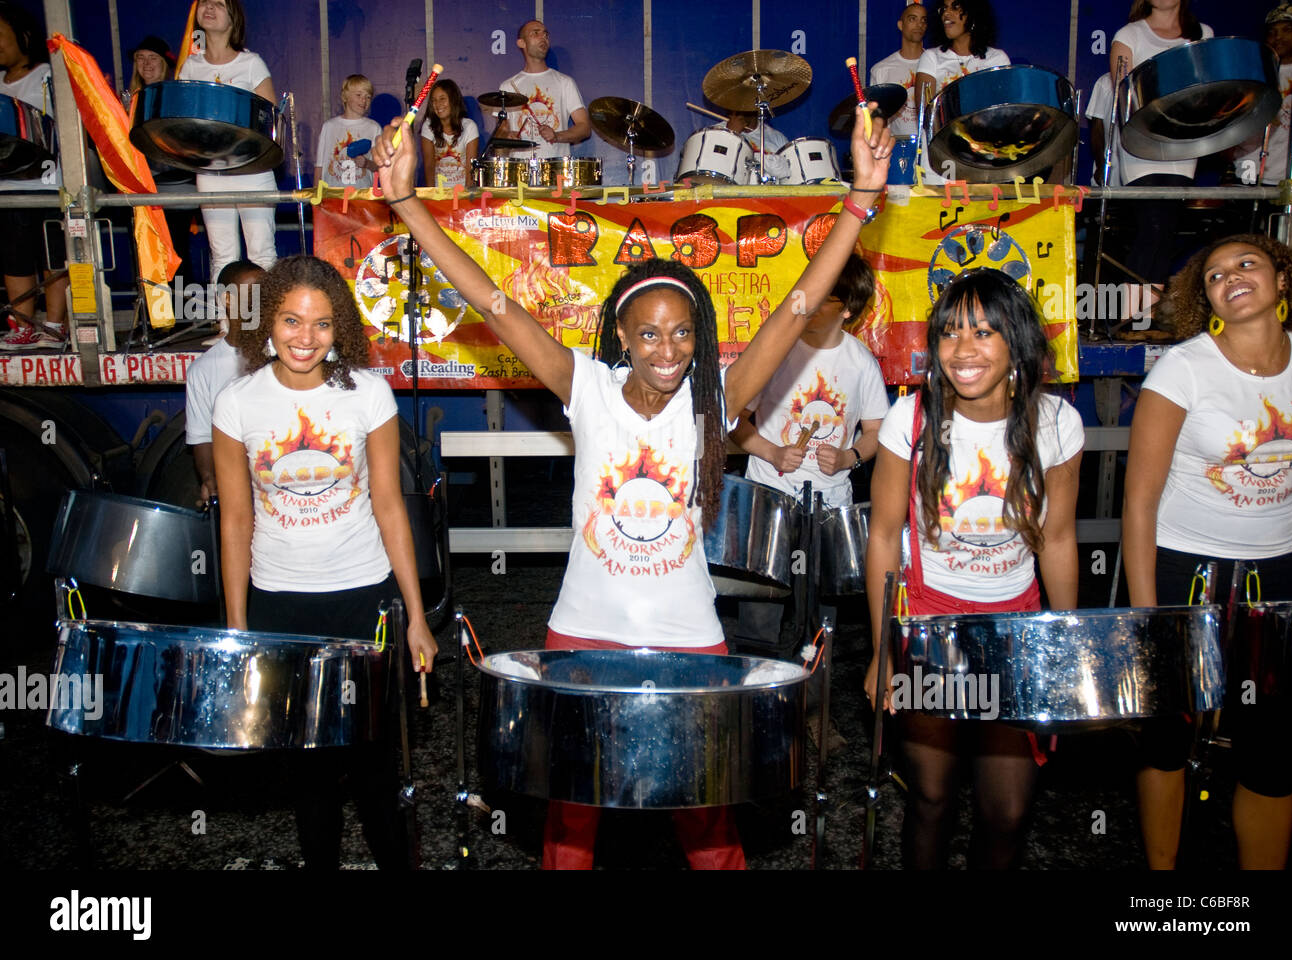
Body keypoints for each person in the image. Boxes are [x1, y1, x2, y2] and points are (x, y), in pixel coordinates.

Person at [374, 93, 894, 869]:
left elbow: (795, 307)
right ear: (620, 332)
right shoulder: (585, 387)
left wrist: (859, 202)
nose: (667, 348)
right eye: (648, 332)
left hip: (690, 638)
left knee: (712, 830)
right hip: (582, 634)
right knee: (568, 831)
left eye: (682, 333)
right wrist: (409, 204)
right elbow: (494, 300)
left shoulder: (713, 399)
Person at [212, 255, 436, 870]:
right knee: (308, 778)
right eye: (290, 320)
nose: (304, 338)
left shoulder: (369, 393)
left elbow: (391, 505)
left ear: (341, 328)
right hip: (280, 603)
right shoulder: (237, 403)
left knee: (375, 770)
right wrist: (237, 629)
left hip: (364, 598)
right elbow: (235, 521)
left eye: (321, 324)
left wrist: (416, 616)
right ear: (268, 323)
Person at [865, 268, 1083, 869]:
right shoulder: (909, 420)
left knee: (1007, 812)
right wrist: (886, 649)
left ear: (1017, 343)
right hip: (930, 631)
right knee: (931, 798)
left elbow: (1059, 540)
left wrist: (1066, 645)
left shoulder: (1056, 423)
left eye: (985, 333)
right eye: (951, 332)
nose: (964, 349)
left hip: (1016, 632)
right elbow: (883, 536)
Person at [1123, 233, 1292, 870]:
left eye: (1246, 264)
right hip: (1186, 570)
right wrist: (1150, 619)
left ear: (1282, 277)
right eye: (1215, 276)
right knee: (1169, 739)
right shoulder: (1184, 369)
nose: (1230, 277)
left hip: (1282, 574)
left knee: (1273, 750)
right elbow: (1138, 503)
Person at [730, 252, 888, 658]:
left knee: (821, 620)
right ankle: (757, 693)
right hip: (770, 499)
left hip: (829, 507)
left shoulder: (860, 363)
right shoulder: (777, 351)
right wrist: (772, 451)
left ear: (848, 309)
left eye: (822, 300)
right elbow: (733, 420)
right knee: (760, 614)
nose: (807, 304)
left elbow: (876, 432)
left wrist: (850, 456)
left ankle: (813, 701)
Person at [1109, 1, 1213, 289]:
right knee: (1151, 228)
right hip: (1142, 145)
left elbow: (1209, 89)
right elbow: (1123, 94)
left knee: (1166, 232)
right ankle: (1132, 319)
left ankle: (1148, 318)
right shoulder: (1129, 34)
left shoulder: (1202, 33)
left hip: (1183, 145)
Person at [179, 0, 277, 278]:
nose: (209, 7)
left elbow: (269, 120)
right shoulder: (191, 67)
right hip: (211, 172)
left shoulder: (250, 63)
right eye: (205, 2)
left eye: (219, 4)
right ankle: (226, 322)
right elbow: (185, 124)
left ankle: (265, 321)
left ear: (233, 17)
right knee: (222, 254)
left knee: (262, 253)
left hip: (253, 170)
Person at [0, 1, 68, 350]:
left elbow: (60, 130)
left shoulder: (46, 75)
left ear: (23, 36)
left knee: (51, 257)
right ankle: (23, 324)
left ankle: (54, 325)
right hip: (8, 187)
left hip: (44, 183)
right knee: (15, 259)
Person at [185, 260, 266, 503]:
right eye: (252, 291)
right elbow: (201, 437)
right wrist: (210, 480)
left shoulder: (285, 353)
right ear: (227, 298)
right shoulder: (203, 369)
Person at [126, 35, 199, 290]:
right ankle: (156, 317)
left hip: (176, 190)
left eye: (152, 58)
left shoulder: (177, 98)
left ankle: (182, 318)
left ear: (165, 64)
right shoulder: (129, 101)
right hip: (141, 192)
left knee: (174, 253)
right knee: (144, 256)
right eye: (140, 58)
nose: (146, 64)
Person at [914, 0, 1009, 184]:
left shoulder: (996, 59)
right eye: (944, 8)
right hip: (939, 162)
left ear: (974, 14)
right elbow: (925, 111)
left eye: (955, 7)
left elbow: (1001, 114)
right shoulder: (932, 57)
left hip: (983, 162)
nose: (946, 14)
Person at [498, 19, 590, 161]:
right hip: (520, 171)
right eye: (536, 33)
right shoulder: (508, 86)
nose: (543, 38)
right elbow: (501, 131)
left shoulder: (564, 82)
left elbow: (584, 128)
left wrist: (557, 136)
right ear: (521, 43)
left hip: (556, 169)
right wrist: (507, 136)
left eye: (546, 35)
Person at [1230, 4, 1292, 188]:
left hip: (1290, 173)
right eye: (1272, 31)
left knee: (1282, 216)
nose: (1278, 37)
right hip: (1249, 163)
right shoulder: (1253, 74)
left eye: (1287, 30)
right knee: (1247, 213)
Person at [870, 0, 929, 138]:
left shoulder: (936, 65)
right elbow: (877, 119)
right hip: (895, 149)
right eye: (912, 19)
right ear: (900, 25)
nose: (919, 25)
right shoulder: (881, 70)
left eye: (923, 20)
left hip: (929, 149)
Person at [315, 74, 381, 189]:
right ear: (345, 97)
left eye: (368, 97)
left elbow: (379, 166)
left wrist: (366, 163)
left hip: (361, 196)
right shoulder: (329, 127)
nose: (364, 100)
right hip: (332, 196)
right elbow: (320, 166)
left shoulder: (374, 128)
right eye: (358, 95)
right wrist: (316, 196)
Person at [420, 78, 478, 188]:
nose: (438, 104)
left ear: (453, 100)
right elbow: (429, 167)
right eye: (434, 100)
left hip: (461, 192)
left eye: (442, 99)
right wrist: (432, 197)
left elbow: (471, 170)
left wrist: (465, 198)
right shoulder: (428, 126)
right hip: (438, 193)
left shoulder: (469, 127)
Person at [710, 110, 790, 184]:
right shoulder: (716, 132)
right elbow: (713, 167)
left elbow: (789, 173)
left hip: (771, 196)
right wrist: (731, 135)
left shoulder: (777, 138)